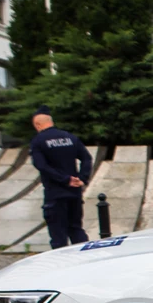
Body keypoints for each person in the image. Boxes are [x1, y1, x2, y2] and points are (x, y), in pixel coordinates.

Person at [29, 105, 94, 249]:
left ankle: (62, 268)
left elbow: (42, 166)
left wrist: (65, 179)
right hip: (74, 193)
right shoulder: (70, 137)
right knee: (76, 229)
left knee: (58, 236)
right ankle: (87, 262)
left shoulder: (38, 141)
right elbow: (87, 158)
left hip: (55, 193)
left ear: (38, 125)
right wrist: (82, 178)